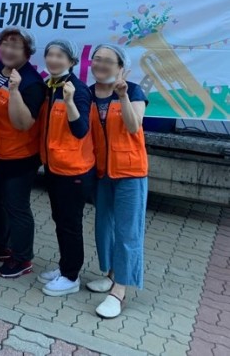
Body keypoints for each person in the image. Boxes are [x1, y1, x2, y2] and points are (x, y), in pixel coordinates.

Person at [87, 44, 148, 319]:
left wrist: (122, 96)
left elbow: (134, 126)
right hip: (102, 172)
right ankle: (111, 274)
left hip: (129, 171)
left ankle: (120, 290)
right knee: (105, 227)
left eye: (108, 61)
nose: (100, 65)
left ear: (121, 67)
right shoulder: (88, 93)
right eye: (97, 59)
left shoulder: (133, 91)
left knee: (127, 231)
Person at [0, 27, 47, 279]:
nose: (8, 50)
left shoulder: (31, 82)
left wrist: (15, 91)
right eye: (5, 44)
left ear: (27, 52)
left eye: (15, 46)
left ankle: (22, 257)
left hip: (20, 157)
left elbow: (23, 124)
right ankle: (1, 245)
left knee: (16, 208)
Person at [37, 39, 94, 297]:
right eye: (50, 55)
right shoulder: (51, 86)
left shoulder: (77, 90)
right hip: (54, 167)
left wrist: (70, 102)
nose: (53, 60)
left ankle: (71, 276)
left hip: (74, 171)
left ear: (72, 61)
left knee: (70, 224)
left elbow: (80, 130)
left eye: (60, 56)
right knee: (60, 220)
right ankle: (65, 266)